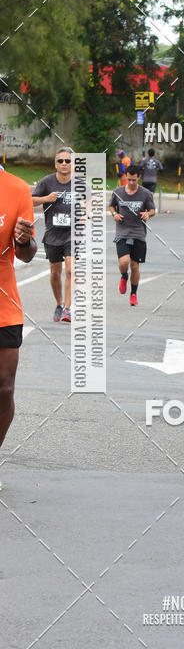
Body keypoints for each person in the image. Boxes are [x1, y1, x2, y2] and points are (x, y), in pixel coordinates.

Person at [0, 168, 37, 491]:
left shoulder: (16, 188)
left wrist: (23, 240)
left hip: (4, 304)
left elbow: (26, 255)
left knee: (5, 389)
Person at [31, 146, 78, 322]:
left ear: (73, 163)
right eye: (61, 161)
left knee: (70, 269)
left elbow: (89, 201)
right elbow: (30, 200)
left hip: (72, 234)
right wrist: (46, 199)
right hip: (52, 233)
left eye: (68, 160)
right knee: (55, 272)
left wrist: (84, 215)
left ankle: (67, 309)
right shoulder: (46, 182)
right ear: (55, 164)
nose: (64, 164)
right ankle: (59, 304)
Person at [109, 165, 156, 306]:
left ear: (139, 178)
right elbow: (111, 206)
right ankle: (124, 276)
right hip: (122, 231)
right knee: (124, 262)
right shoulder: (118, 192)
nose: (131, 182)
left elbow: (153, 210)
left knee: (135, 266)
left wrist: (148, 214)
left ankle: (133, 294)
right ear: (126, 177)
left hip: (138, 233)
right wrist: (114, 214)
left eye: (134, 180)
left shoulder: (146, 193)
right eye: (128, 179)